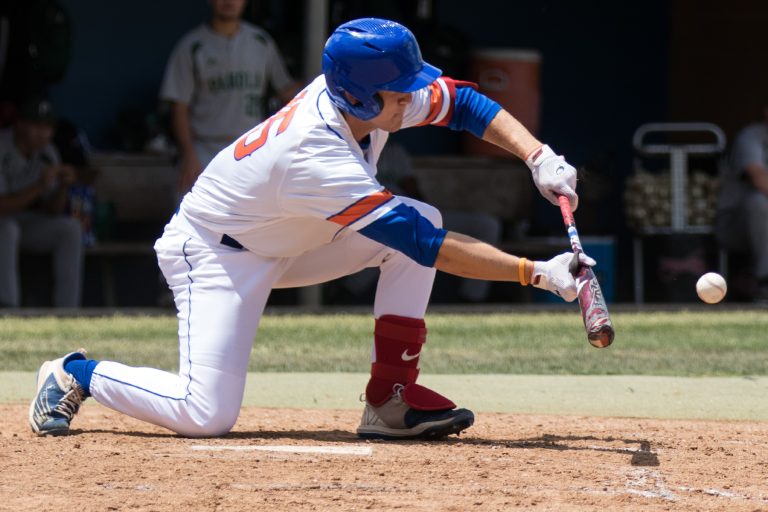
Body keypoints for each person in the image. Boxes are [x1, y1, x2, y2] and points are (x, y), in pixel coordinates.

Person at [29, 18, 591, 440]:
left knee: (424, 217)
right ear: (364, 97)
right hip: (217, 253)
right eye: (401, 91)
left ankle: (389, 402)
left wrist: (537, 156)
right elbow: (425, 248)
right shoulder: (315, 153)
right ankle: (75, 372)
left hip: (292, 235)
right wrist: (534, 273)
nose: (413, 98)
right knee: (205, 415)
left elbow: (464, 102)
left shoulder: (368, 100)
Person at [159, 0, 300, 196]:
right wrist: (189, 154)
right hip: (204, 149)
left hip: (252, 148)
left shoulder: (261, 41)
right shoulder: (192, 45)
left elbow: (286, 90)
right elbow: (179, 105)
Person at [0, 96, 82, 308]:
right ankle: (8, 308)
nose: (44, 132)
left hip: (25, 223)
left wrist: (63, 186)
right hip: (4, 224)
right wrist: (39, 186)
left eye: (48, 126)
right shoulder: (2, 147)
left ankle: (68, 311)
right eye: (37, 125)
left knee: (70, 229)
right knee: (7, 228)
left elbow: (53, 210)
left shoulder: (48, 152)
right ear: (20, 124)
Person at [717, 108, 768, 302]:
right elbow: (759, 179)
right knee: (759, 202)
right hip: (735, 226)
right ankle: (765, 283)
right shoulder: (751, 137)